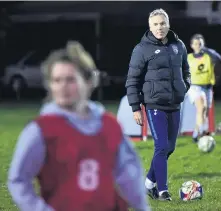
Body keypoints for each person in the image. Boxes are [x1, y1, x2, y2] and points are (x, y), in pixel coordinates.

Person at [7, 41, 150, 211]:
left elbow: (129, 174)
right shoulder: (41, 130)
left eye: (70, 80)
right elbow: (18, 180)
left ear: (89, 82)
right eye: (56, 80)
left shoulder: (109, 125)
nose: (62, 86)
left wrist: (142, 206)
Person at [125, 8, 191, 201]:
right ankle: (162, 191)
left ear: (168, 24)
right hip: (154, 105)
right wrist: (136, 107)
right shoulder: (141, 49)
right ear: (150, 26)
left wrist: (185, 86)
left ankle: (148, 183)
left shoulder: (178, 45)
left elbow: (186, 70)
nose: (159, 27)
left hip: (175, 104)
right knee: (161, 146)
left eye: (162, 23)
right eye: (155, 24)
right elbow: (132, 80)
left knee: (169, 147)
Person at [187, 34, 221, 143]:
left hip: (207, 88)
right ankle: (203, 133)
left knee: (204, 112)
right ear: (192, 45)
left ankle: (195, 134)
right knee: (201, 108)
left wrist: (206, 49)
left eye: (200, 44)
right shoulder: (188, 58)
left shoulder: (208, 56)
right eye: (196, 44)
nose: (198, 46)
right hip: (195, 87)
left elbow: (219, 58)